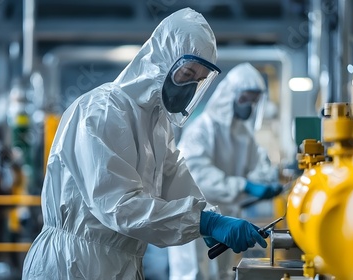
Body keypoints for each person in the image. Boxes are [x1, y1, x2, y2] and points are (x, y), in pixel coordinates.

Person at [22, 8, 268, 280]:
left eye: (197, 81)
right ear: (162, 59)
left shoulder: (158, 123)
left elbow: (175, 181)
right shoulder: (102, 110)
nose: (189, 87)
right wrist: (203, 222)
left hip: (119, 263)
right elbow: (120, 206)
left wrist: (209, 218)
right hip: (73, 264)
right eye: (187, 73)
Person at [168, 63, 283, 280]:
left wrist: (265, 183)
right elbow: (196, 175)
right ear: (231, 95)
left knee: (223, 274)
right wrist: (244, 186)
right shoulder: (203, 129)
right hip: (198, 217)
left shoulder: (244, 135)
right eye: (245, 98)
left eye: (254, 100)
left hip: (229, 217)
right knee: (194, 273)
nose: (249, 105)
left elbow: (256, 166)